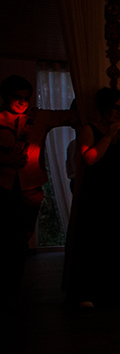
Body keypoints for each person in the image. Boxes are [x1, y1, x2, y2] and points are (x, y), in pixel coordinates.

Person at [62, 87, 120, 308]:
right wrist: (109, 135)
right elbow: (89, 158)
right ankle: (88, 293)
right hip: (97, 194)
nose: (119, 113)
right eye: (115, 108)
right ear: (105, 109)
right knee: (93, 242)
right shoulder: (90, 129)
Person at [0, 75, 74, 300]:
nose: (22, 102)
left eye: (26, 98)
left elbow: (70, 116)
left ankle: (12, 290)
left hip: (30, 188)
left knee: (20, 240)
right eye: (17, 97)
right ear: (4, 97)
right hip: (2, 186)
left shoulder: (38, 117)